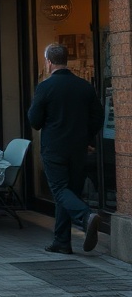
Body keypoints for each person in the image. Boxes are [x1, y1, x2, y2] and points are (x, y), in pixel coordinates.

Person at [27, 42, 104, 255]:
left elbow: (34, 120)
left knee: (60, 190)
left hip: (54, 147)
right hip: (78, 148)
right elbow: (98, 116)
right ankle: (62, 241)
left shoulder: (45, 87)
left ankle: (86, 216)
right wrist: (87, 137)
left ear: (49, 62)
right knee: (69, 191)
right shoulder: (84, 86)